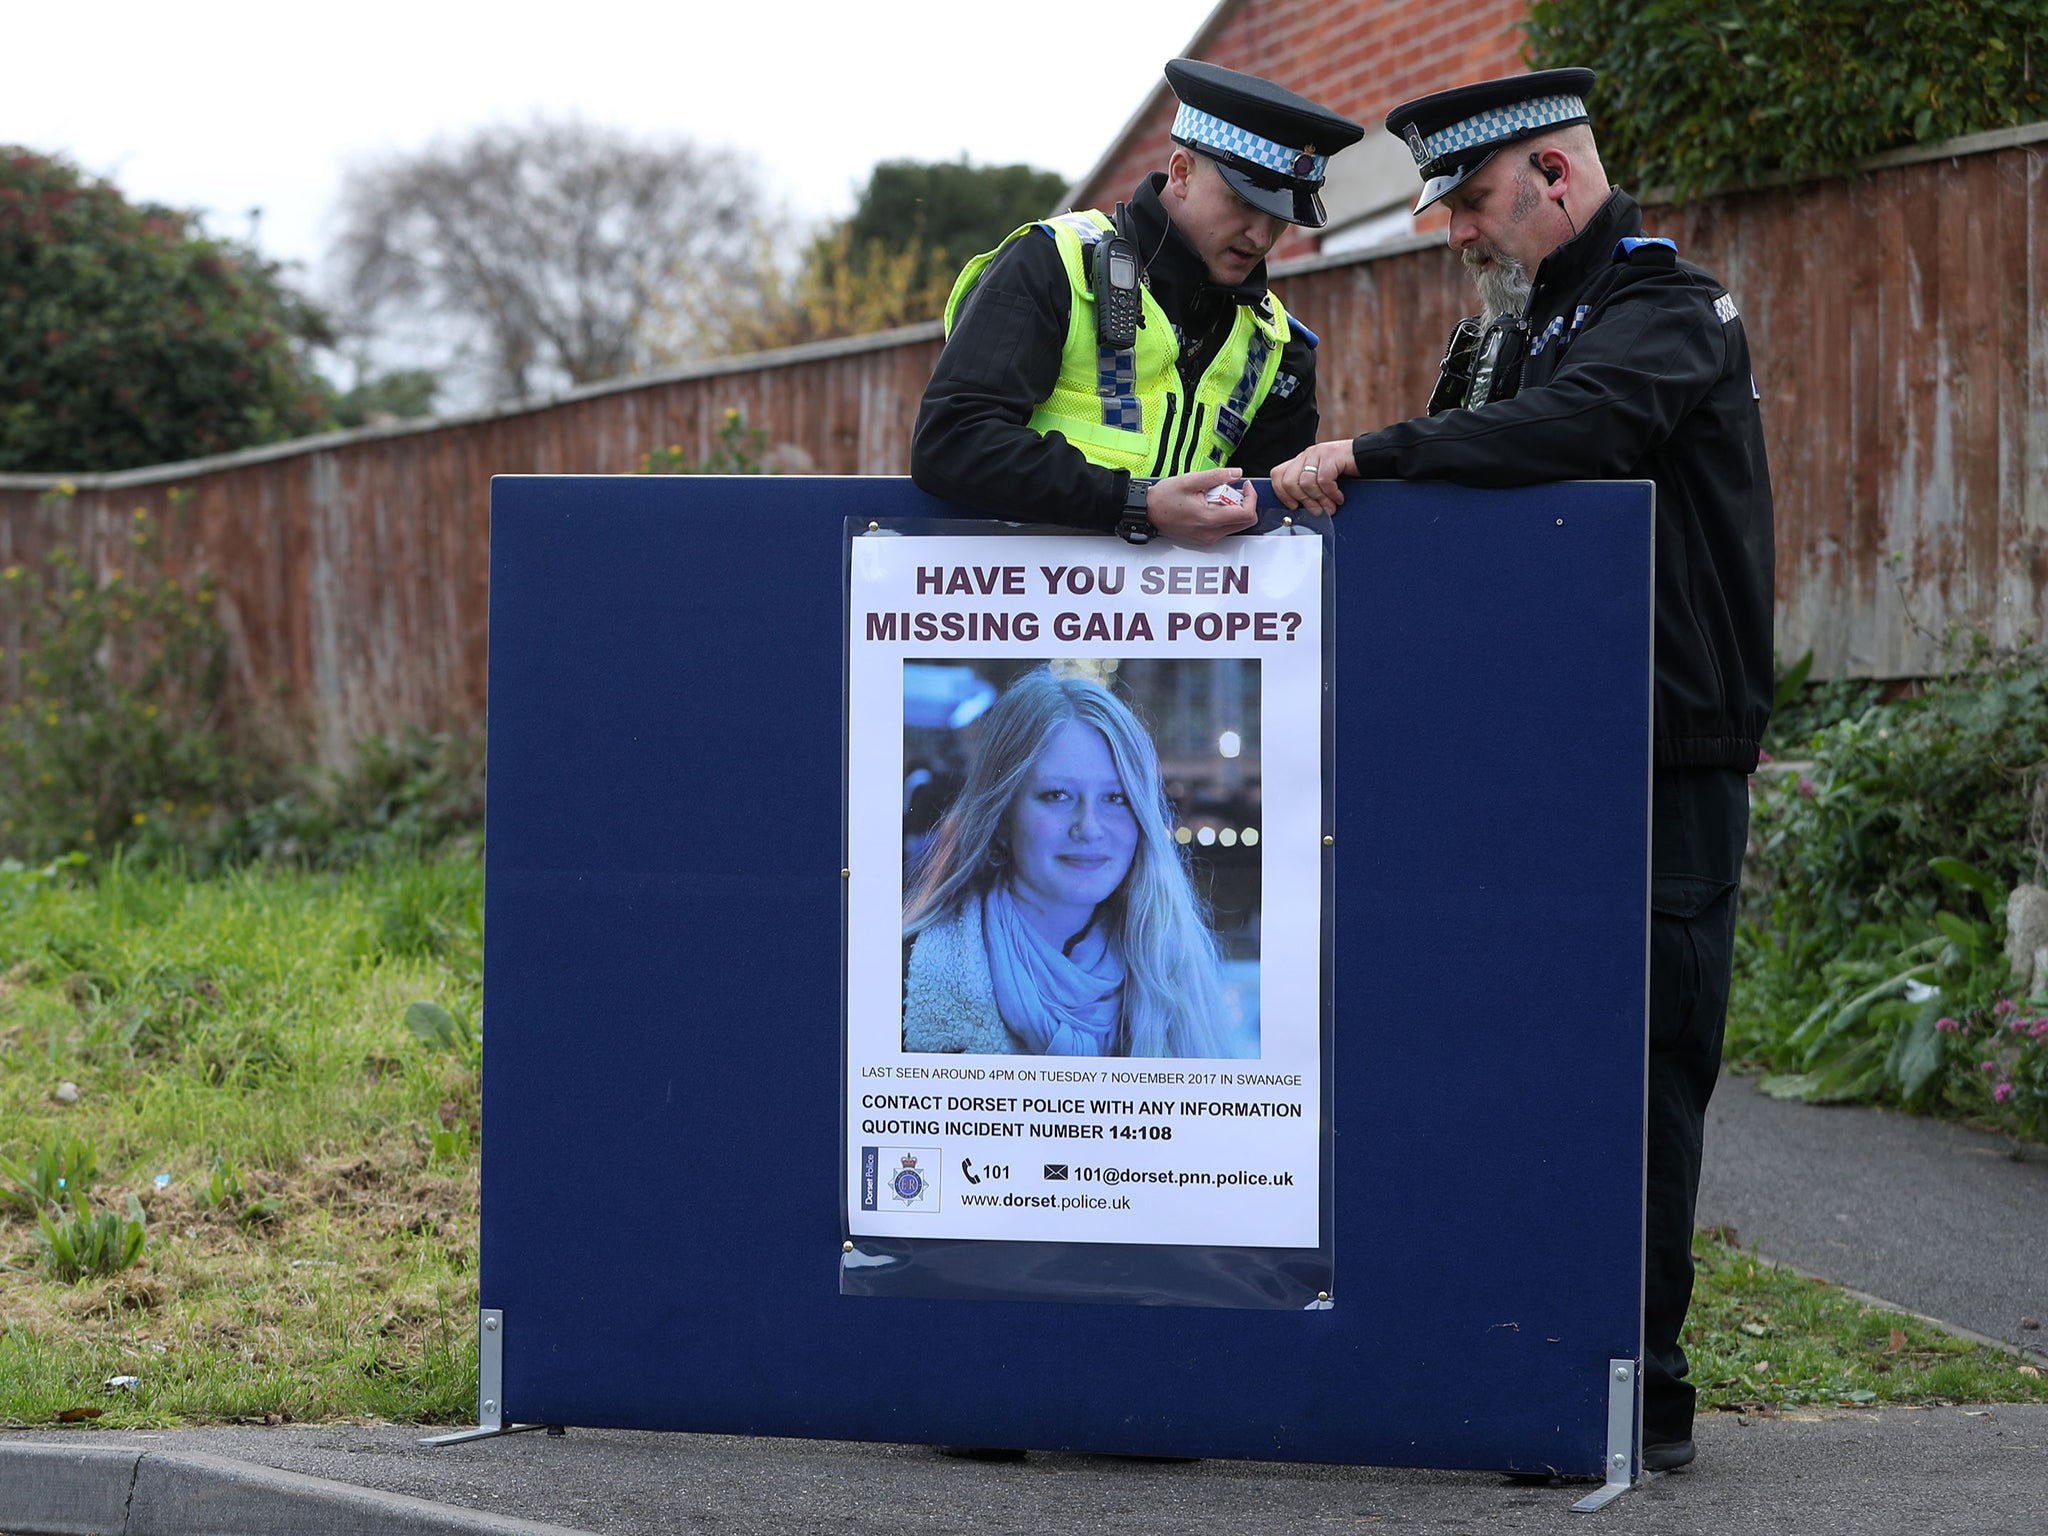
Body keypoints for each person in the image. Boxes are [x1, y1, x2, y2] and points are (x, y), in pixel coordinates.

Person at [1270, 69, 1774, 1474]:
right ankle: (1524, 1365)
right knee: (1514, 1060)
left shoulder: (1668, 312)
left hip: (1658, 768)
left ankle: (1641, 1392)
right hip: (1528, 769)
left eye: (1475, 202)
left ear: (1554, 177)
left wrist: (1372, 451)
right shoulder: (1510, 338)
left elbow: (1585, 433)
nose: (1458, 235)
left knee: (1640, 1085)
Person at [911, 59, 1363, 548]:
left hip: (1180, 621)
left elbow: (1273, 532)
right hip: (1025, 610)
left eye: (1280, 217)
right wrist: (1137, 503)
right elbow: (950, 441)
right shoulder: (1052, 262)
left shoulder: (1279, 346)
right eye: (1245, 203)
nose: (1261, 235)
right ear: (1181, 171)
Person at [902, 668, 1231, 1059]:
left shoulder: (1177, 974)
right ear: (1003, 817)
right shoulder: (904, 980)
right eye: (1056, 795)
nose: (1089, 828)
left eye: (1116, 798)